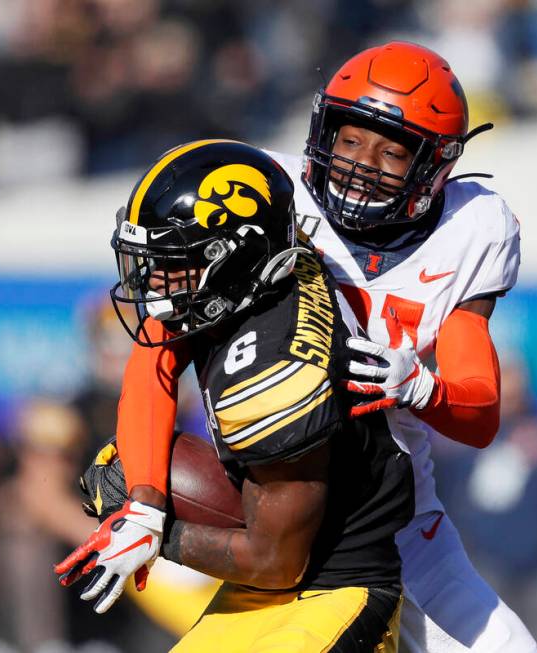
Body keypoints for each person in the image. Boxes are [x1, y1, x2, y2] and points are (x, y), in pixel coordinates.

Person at [107, 42, 537, 652]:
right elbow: (156, 348)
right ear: (321, 130)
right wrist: (148, 502)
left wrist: (421, 387)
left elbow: (480, 412)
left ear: (435, 166)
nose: (364, 164)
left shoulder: (472, 229)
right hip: (273, 493)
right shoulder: (261, 192)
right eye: (351, 139)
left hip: (397, 521)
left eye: (393, 151)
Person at [54, 140, 414, 652]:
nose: (154, 282)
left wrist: (161, 536)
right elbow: (153, 355)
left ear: (233, 257)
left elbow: (277, 562)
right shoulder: (262, 270)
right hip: (264, 586)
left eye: (172, 261)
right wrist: (145, 502)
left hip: (328, 589)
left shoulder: (275, 376)